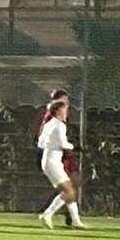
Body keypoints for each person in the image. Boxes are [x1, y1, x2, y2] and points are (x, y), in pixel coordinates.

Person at [37, 98, 86, 229]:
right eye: (65, 109)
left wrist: (52, 144)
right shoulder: (60, 125)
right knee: (69, 192)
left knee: (68, 191)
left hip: (47, 160)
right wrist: (74, 147)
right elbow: (63, 143)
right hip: (53, 162)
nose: (66, 112)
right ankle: (47, 214)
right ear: (58, 111)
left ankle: (76, 221)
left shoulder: (49, 124)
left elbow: (41, 143)